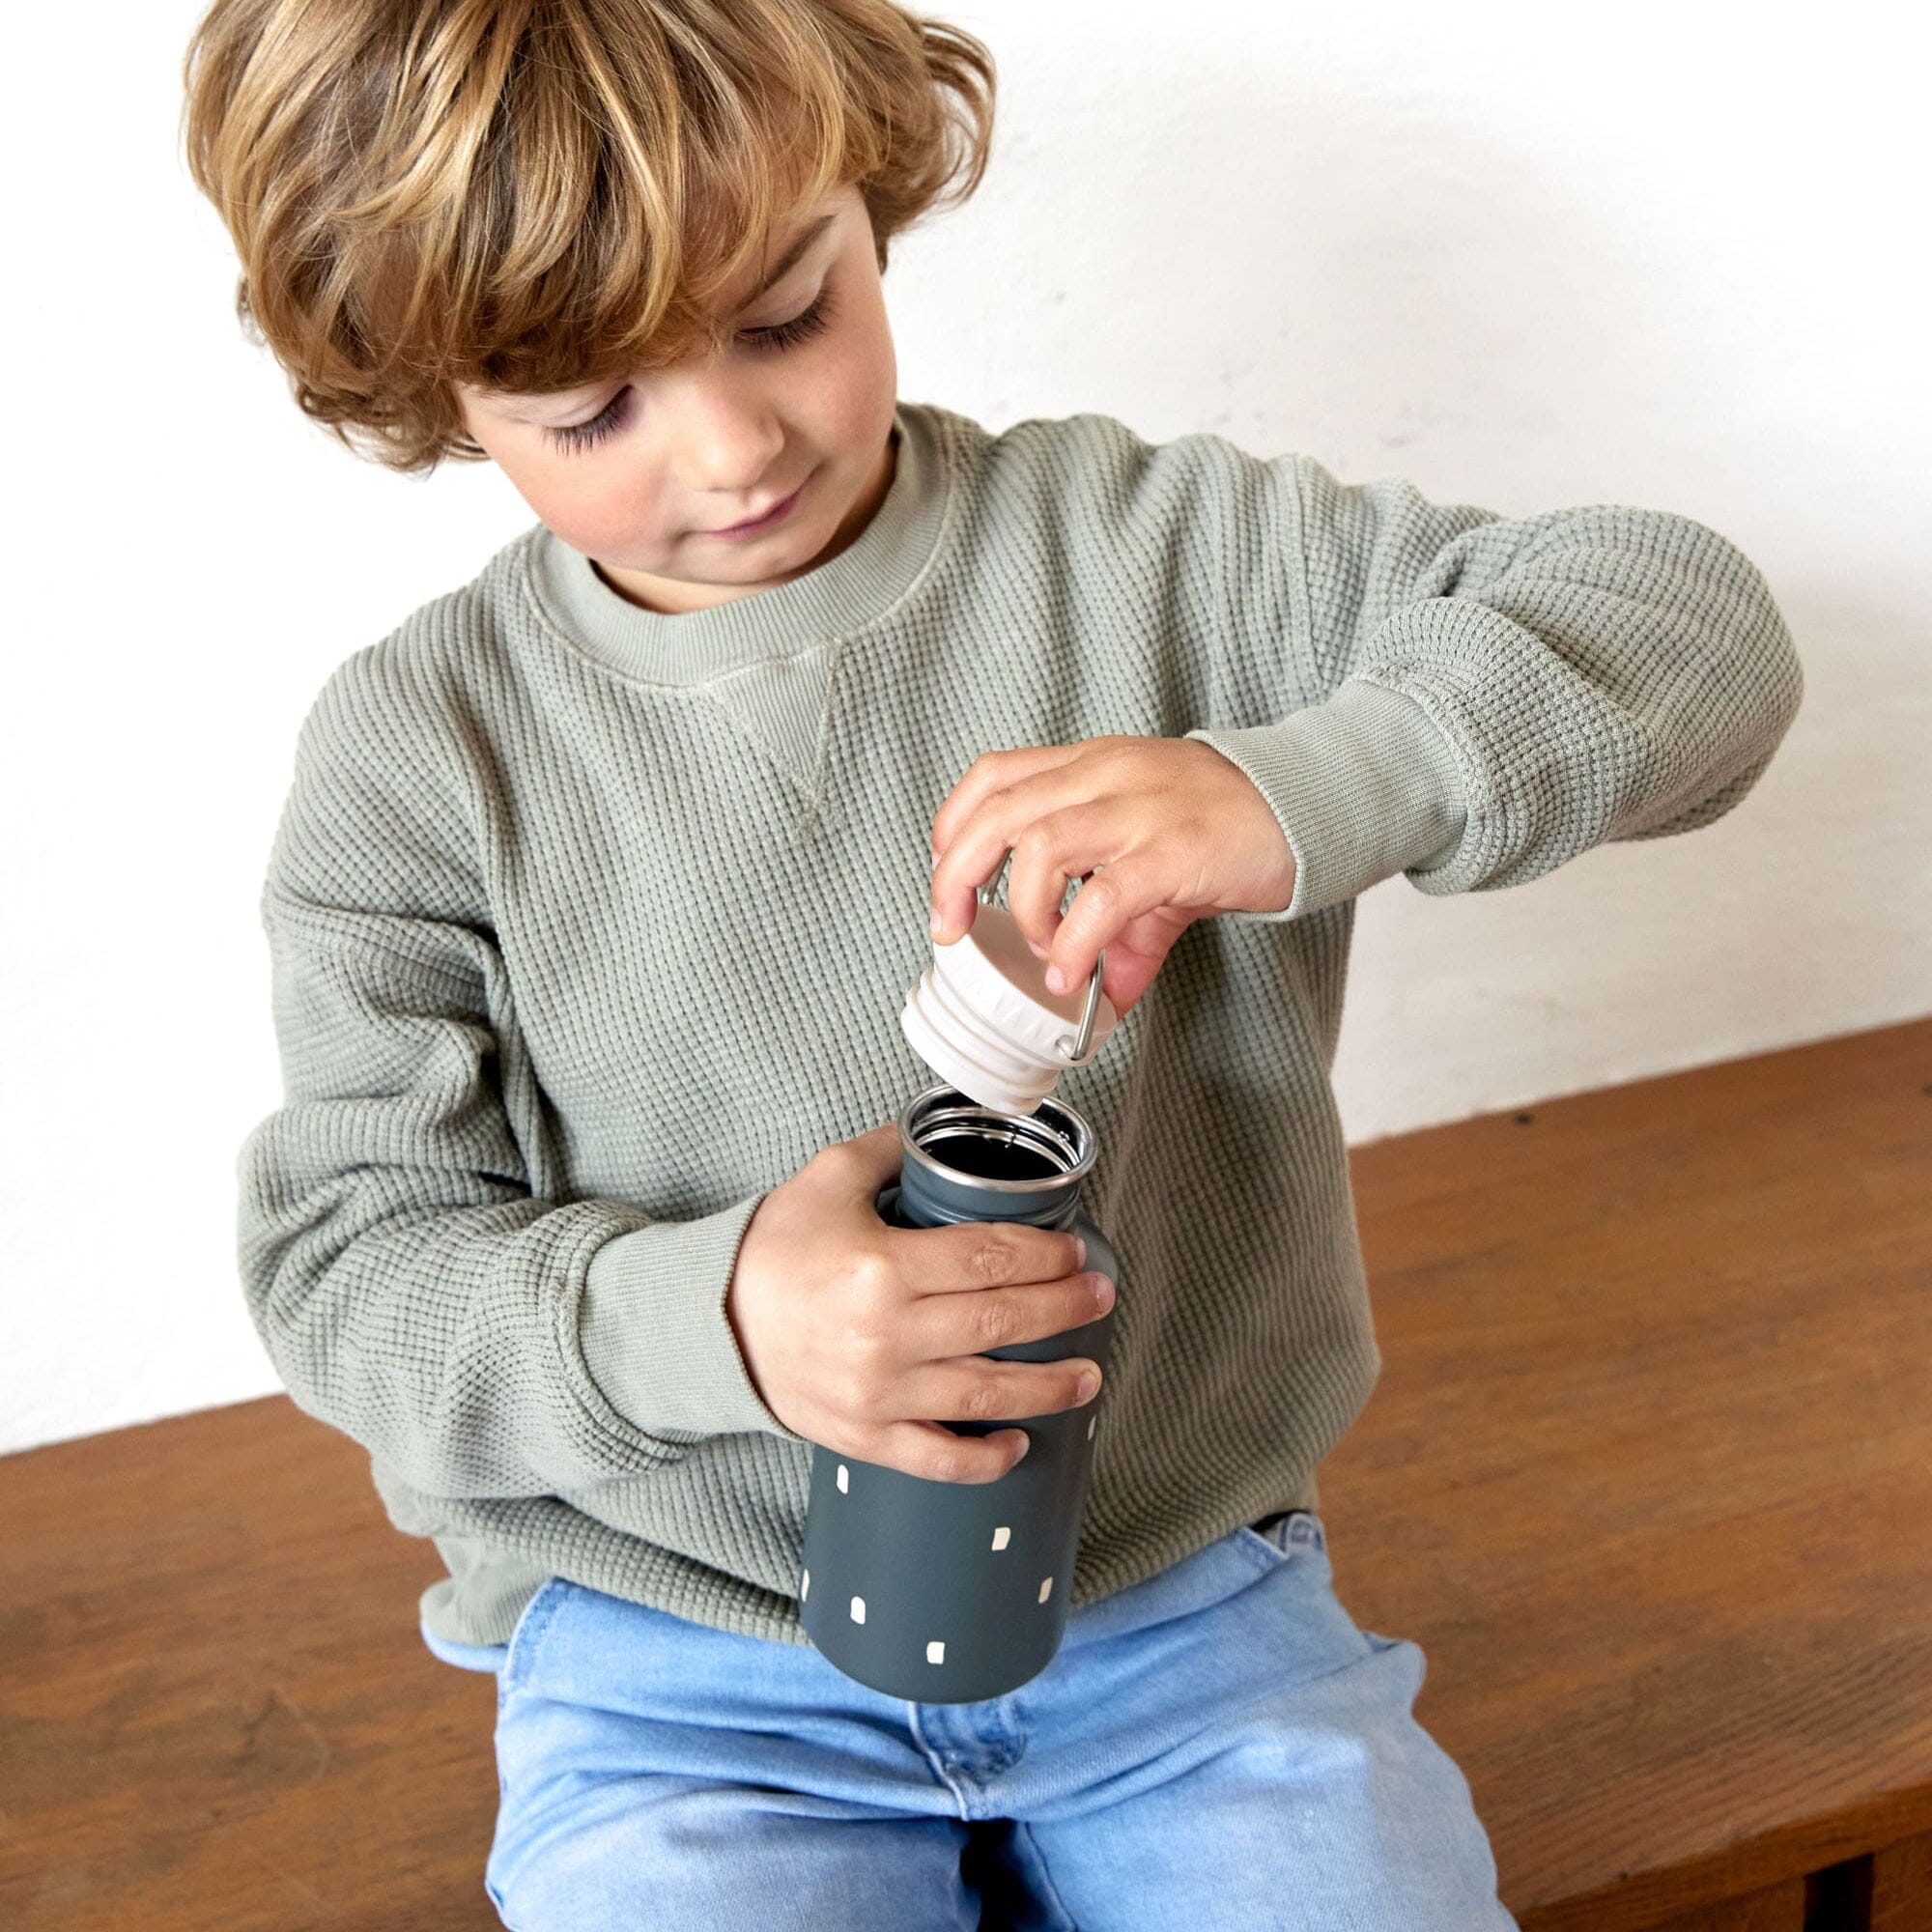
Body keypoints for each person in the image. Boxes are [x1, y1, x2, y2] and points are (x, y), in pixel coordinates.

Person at [183, 2, 1803, 1926]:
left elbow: (1698, 634)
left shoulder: (1161, 557)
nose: (729, 443)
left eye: (784, 311)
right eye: (587, 407)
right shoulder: (420, 754)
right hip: (682, 1664)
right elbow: (351, 1271)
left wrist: (1294, 783)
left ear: (865, 194)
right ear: (433, 392)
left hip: (1179, 1607)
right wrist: (715, 1322)